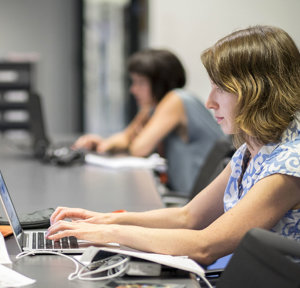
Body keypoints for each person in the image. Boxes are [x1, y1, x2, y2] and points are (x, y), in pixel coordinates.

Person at [47, 25, 300, 265]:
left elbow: (206, 246)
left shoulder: (288, 165)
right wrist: (105, 219)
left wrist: (110, 234)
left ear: (258, 92)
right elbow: (188, 217)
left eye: (221, 89)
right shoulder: (252, 149)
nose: (210, 102)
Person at [73, 49, 224, 196]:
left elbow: (139, 149)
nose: (133, 89)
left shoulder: (176, 99)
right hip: (185, 196)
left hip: (196, 201)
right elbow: (126, 137)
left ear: (160, 83)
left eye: (140, 82)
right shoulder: (155, 106)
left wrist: (125, 139)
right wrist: (102, 143)